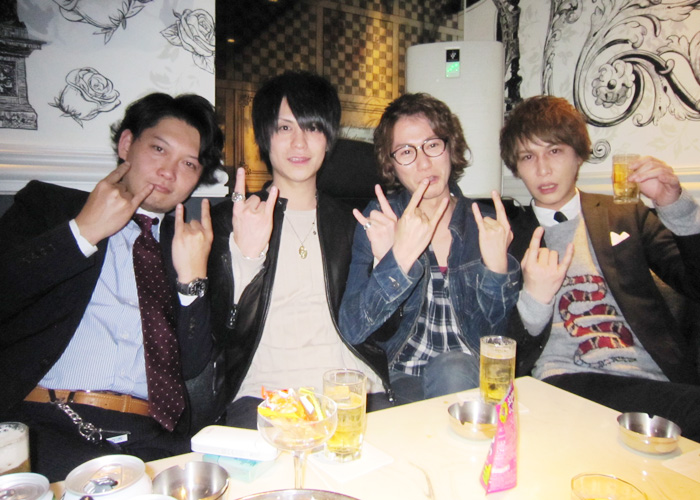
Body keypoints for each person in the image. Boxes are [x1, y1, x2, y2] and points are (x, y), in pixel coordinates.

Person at [0, 92, 224, 481]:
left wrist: (192, 282)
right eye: (158, 149)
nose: (168, 172)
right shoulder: (49, 207)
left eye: (188, 164)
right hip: (47, 423)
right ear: (126, 144)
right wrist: (81, 233)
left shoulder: (194, 242)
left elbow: (193, 366)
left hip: (150, 441)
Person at [502, 95, 700, 440]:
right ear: (516, 168)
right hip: (565, 383)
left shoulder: (623, 214)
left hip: (653, 379)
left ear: (579, 154)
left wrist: (675, 206)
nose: (542, 170)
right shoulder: (509, 236)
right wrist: (535, 298)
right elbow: (502, 344)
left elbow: (693, 284)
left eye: (554, 151)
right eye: (528, 157)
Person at [208, 71, 393, 428]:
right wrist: (247, 257)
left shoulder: (353, 223)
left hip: (353, 389)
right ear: (264, 137)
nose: (299, 143)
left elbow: (381, 334)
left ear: (328, 140)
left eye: (312, 128)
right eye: (284, 128)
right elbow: (223, 334)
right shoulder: (231, 220)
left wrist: (390, 264)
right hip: (267, 395)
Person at [338, 93, 521, 403]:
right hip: (402, 371)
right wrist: (396, 259)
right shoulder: (380, 219)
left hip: (469, 372)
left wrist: (497, 271)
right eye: (406, 152)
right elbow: (352, 329)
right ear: (391, 164)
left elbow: (496, 338)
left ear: (450, 147)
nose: (424, 163)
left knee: (452, 368)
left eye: (432, 145)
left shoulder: (485, 225)